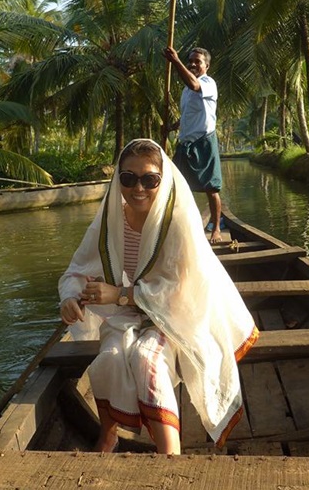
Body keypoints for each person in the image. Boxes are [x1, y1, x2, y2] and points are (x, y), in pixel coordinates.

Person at [58, 139, 258, 454]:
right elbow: (75, 271)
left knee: (145, 360)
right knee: (108, 359)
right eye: (128, 178)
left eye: (149, 179)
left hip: (176, 316)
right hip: (128, 311)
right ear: (118, 179)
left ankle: (170, 454)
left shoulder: (176, 223)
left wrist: (120, 294)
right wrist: (69, 298)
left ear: (162, 180)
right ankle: (109, 434)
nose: (138, 188)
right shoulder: (112, 221)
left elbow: (181, 293)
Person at [162, 46, 224, 243]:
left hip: (203, 141)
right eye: (191, 61)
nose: (193, 64)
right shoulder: (186, 91)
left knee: (211, 188)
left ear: (207, 65)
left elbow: (194, 85)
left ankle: (215, 229)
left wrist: (176, 61)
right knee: (175, 187)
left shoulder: (207, 83)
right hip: (185, 143)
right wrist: (172, 126)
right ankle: (181, 227)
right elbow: (188, 114)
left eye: (198, 61)